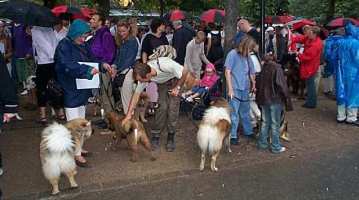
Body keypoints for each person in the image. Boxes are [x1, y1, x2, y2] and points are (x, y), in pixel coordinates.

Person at [54, 19, 112, 166]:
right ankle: (75, 154)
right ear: (74, 33)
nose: (83, 39)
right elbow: (67, 65)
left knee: (82, 123)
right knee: (74, 125)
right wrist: (86, 70)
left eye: (85, 36)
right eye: (81, 36)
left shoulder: (82, 44)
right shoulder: (64, 46)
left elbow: (92, 58)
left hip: (81, 89)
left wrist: (102, 64)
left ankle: (78, 149)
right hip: (70, 89)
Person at [122, 56, 189, 152]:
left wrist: (178, 88)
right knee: (162, 107)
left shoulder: (165, 65)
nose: (140, 82)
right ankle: (156, 134)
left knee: (172, 109)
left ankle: (171, 135)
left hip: (176, 80)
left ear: (148, 75)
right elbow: (136, 96)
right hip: (162, 82)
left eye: (141, 80)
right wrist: (128, 115)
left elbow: (185, 71)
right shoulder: (143, 73)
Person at [256, 54, 292, 153]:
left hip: (264, 99)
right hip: (275, 99)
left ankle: (262, 143)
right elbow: (282, 86)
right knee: (275, 123)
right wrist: (287, 100)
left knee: (265, 122)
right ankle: (275, 146)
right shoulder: (277, 68)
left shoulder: (263, 69)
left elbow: (258, 84)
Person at [325, 23, 359, 126]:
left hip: (340, 71)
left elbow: (331, 57)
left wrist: (333, 68)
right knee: (353, 94)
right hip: (353, 72)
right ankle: (351, 117)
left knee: (341, 92)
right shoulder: (356, 43)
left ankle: (341, 116)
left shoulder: (338, 42)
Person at [225, 36, 256, 145]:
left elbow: (252, 71)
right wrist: (230, 89)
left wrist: (253, 83)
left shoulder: (248, 56)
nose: (250, 51)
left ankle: (248, 131)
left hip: (245, 87)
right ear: (244, 46)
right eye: (249, 49)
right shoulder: (232, 54)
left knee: (245, 111)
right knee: (234, 113)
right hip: (235, 87)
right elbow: (227, 72)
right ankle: (233, 135)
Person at [31, 26, 65, 124]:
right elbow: (55, 45)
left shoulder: (36, 30)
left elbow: (46, 47)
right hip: (54, 62)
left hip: (44, 63)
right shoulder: (50, 29)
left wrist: (51, 55)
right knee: (57, 88)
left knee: (41, 89)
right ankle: (60, 113)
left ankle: (43, 116)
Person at [111, 21, 139, 111]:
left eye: (123, 31)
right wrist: (114, 66)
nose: (121, 33)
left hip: (128, 72)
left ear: (128, 29)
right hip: (122, 72)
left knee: (127, 101)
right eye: (119, 31)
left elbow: (129, 60)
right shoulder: (122, 40)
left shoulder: (132, 40)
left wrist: (116, 70)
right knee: (126, 100)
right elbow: (118, 57)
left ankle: (129, 122)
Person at [298, 26, 323, 109]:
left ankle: (311, 103)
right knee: (310, 84)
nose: (308, 34)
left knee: (310, 85)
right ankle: (311, 101)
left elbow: (308, 56)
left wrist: (298, 54)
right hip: (312, 66)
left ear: (315, 34)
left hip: (311, 66)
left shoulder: (316, 44)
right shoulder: (316, 41)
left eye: (310, 33)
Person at [12, 24, 33, 93]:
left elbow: (32, 39)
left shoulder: (25, 25)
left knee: (28, 73)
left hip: (26, 54)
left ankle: (29, 90)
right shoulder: (13, 26)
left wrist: (30, 51)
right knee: (21, 74)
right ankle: (25, 88)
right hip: (18, 54)